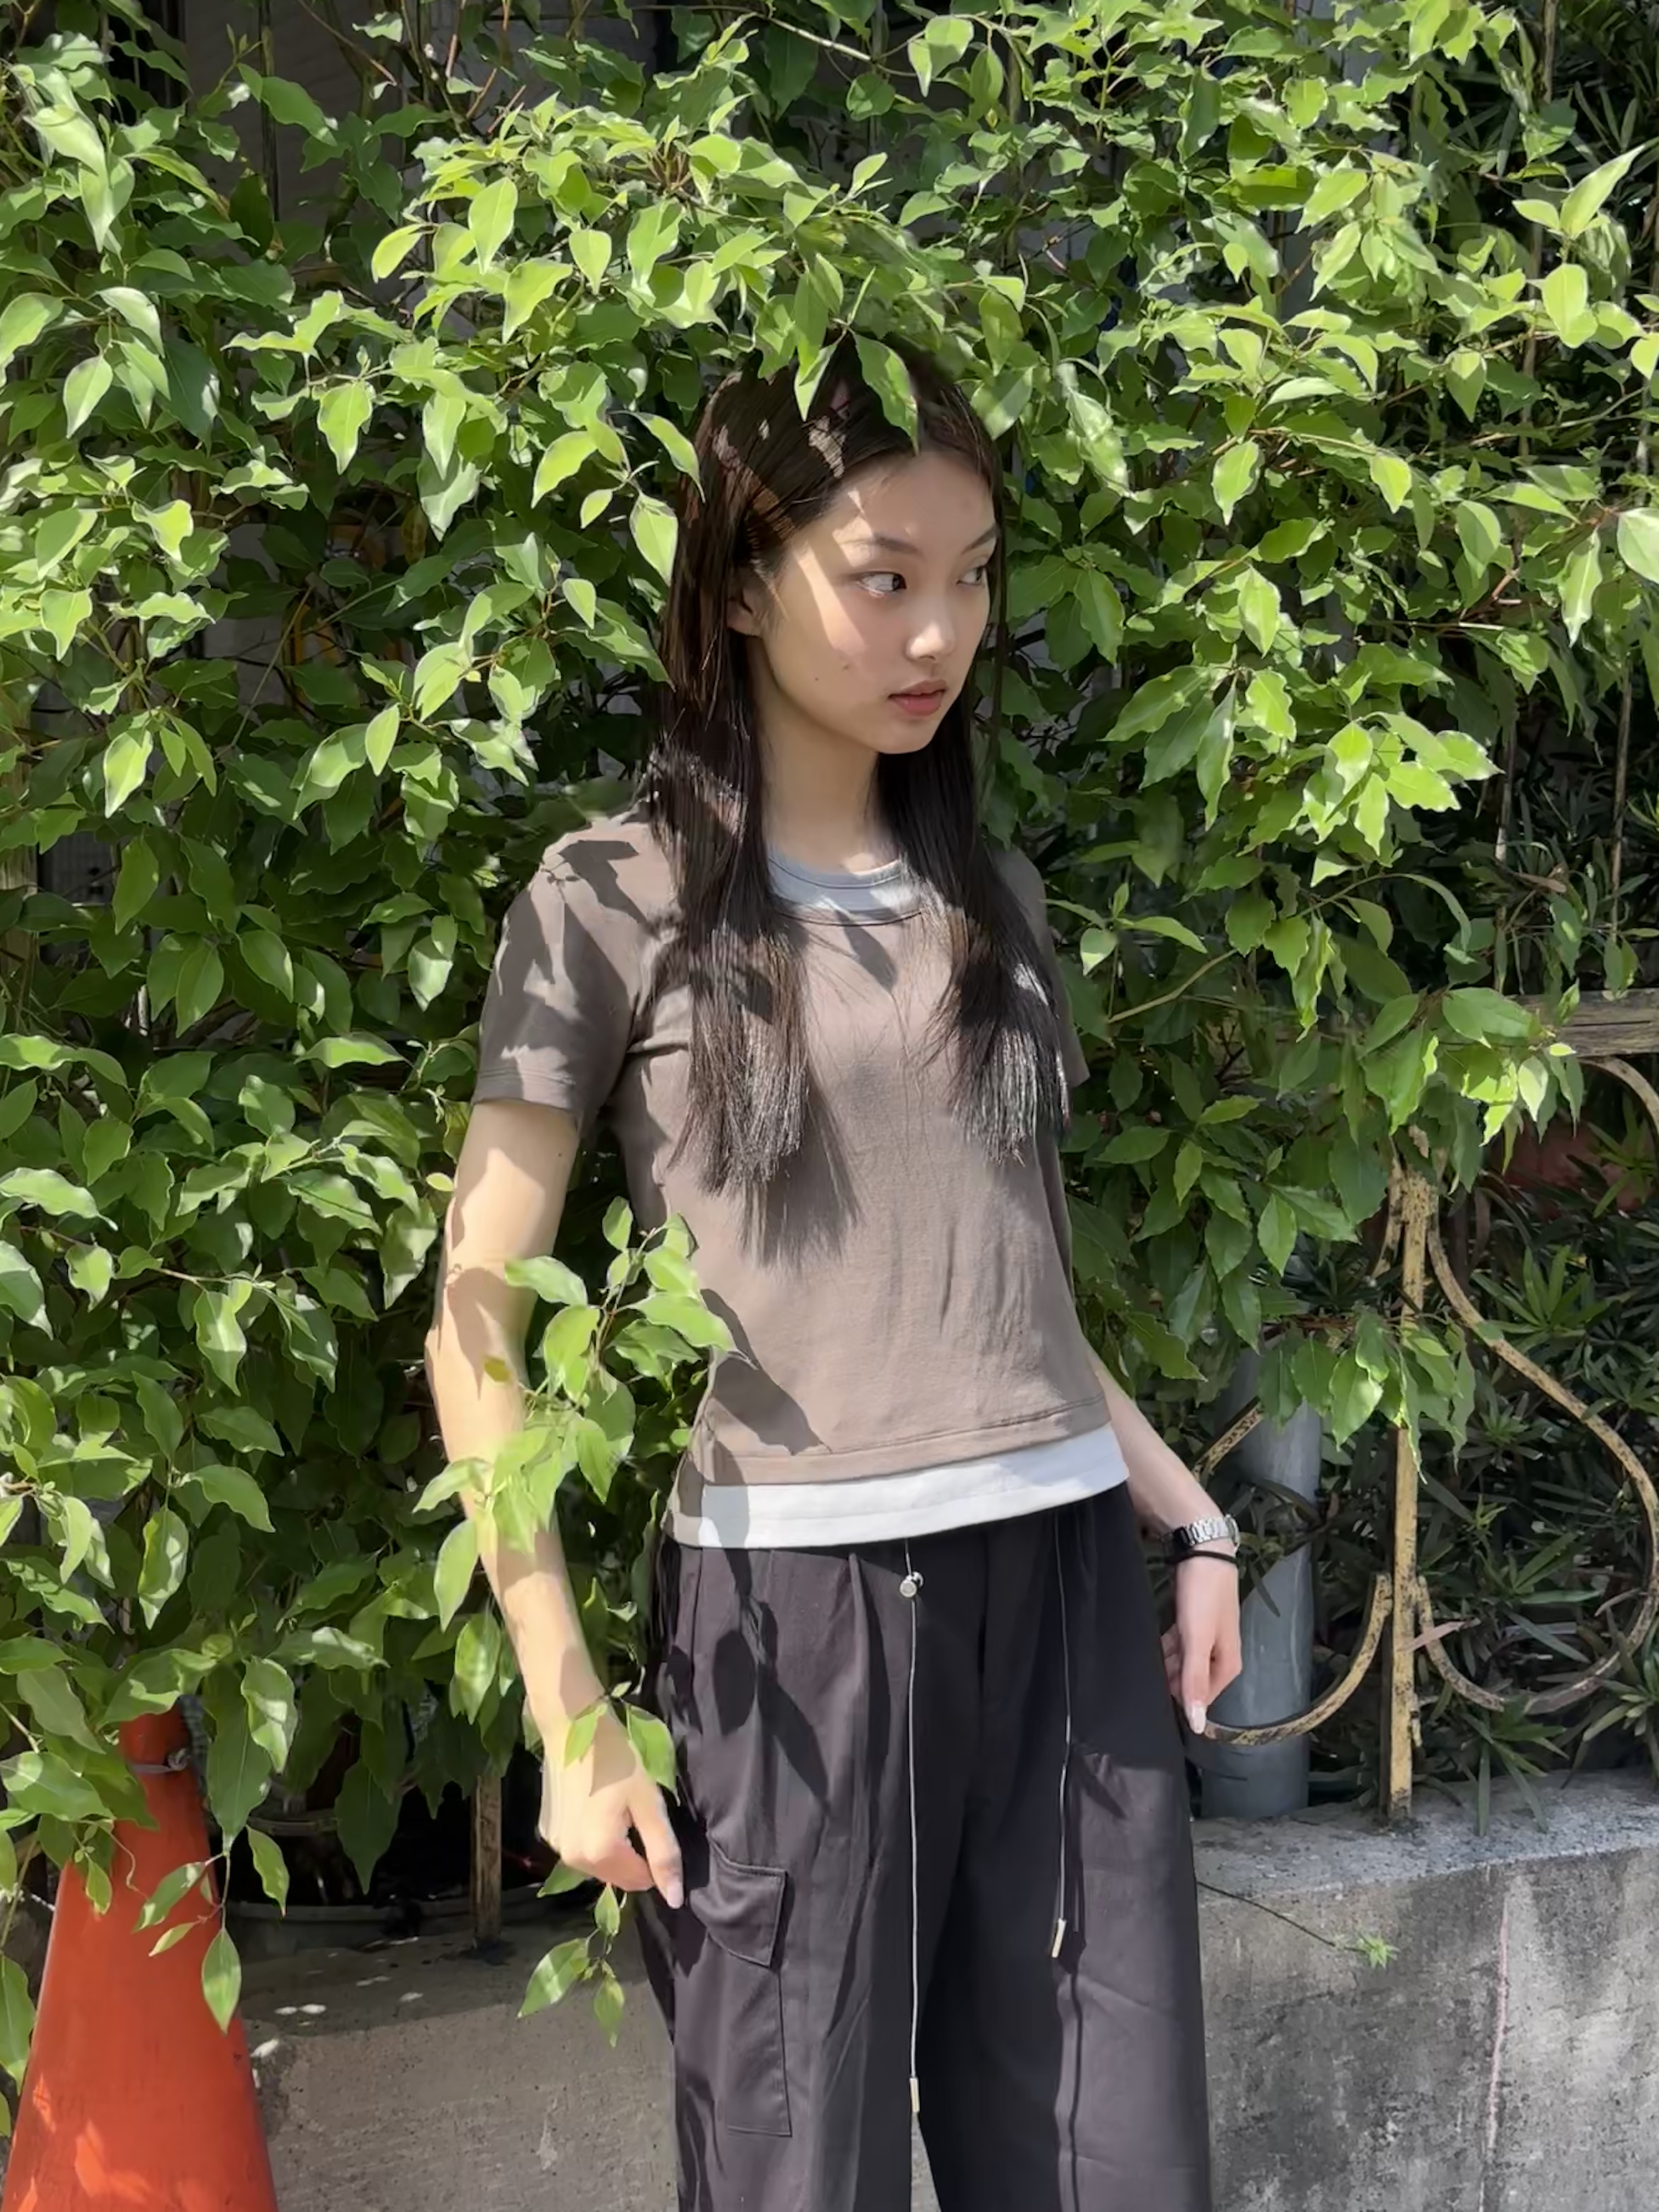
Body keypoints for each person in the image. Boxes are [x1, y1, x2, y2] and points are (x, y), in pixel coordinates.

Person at [425, 336, 1243, 2212]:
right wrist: (571, 1712)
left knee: (1119, 2168)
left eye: (971, 579)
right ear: (740, 583)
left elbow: (1007, 1285)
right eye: (883, 577)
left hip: (1059, 1592)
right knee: (802, 2174)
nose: (936, 633)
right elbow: (475, 1327)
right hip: (792, 1626)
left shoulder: (991, 902)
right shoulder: (608, 900)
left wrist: (1187, 1515)